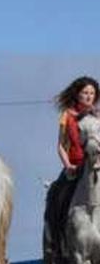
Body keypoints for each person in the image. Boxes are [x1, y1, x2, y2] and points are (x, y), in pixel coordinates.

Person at [44, 76, 99, 246]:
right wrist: (68, 165)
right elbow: (61, 145)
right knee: (56, 194)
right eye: (85, 93)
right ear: (77, 95)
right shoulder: (67, 115)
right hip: (75, 167)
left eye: (92, 93)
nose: (89, 96)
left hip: (96, 165)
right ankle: (56, 238)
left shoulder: (98, 117)